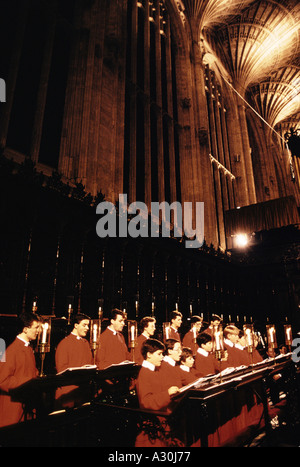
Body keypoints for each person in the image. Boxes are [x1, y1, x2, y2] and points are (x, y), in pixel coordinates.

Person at [135, 338, 181, 447]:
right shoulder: (144, 373)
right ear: (149, 355)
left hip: (163, 417)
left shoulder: (155, 369)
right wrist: (167, 394)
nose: (162, 357)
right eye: (159, 354)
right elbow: (146, 402)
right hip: (154, 423)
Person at [0, 312, 40, 427]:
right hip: (14, 408)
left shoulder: (28, 348)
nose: (38, 331)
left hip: (26, 404)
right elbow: (2, 380)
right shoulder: (12, 351)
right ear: (25, 329)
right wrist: (28, 382)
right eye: (36, 327)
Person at [55, 313, 94, 408]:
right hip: (69, 392)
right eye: (84, 325)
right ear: (76, 326)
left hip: (83, 390)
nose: (87, 328)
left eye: (88, 326)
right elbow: (61, 369)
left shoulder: (85, 343)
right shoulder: (64, 343)